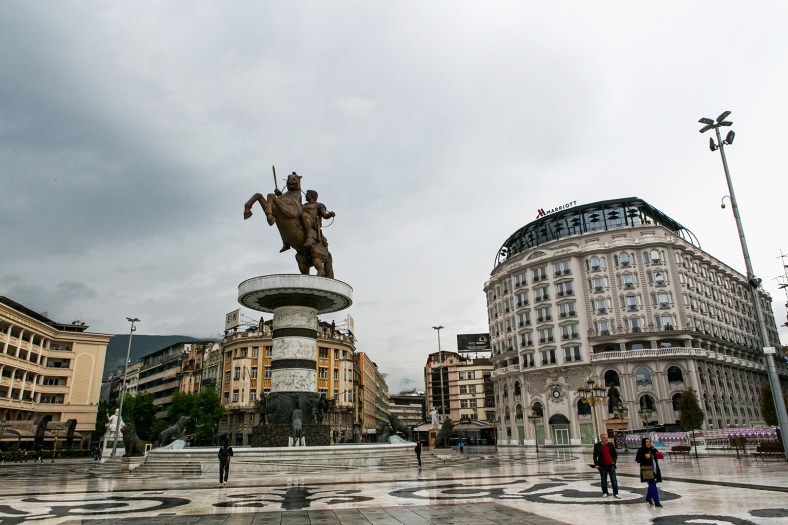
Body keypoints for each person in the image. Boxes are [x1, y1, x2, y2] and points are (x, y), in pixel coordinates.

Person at [635, 437, 663, 507]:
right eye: (647, 442)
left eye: (649, 442)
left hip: (655, 469)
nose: (648, 443)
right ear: (644, 443)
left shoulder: (652, 449)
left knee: (652, 484)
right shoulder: (641, 450)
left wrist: (654, 449)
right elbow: (638, 460)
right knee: (652, 484)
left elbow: (660, 456)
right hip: (647, 470)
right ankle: (657, 502)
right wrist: (644, 456)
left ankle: (648, 498)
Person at [592, 433, 620, 499]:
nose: (606, 439)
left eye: (607, 438)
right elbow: (595, 456)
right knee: (604, 480)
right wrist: (596, 464)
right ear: (601, 439)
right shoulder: (597, 445)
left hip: (611, 465)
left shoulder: (610, 445)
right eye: (605, 438)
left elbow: (615, 454)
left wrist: (614, 462)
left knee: (614, 479)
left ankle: (616, 493)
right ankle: (605, 493)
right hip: (602, 466)